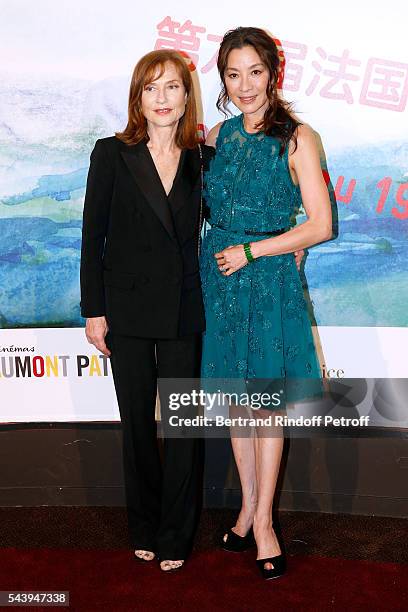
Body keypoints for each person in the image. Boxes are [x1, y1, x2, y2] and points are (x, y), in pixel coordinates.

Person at [200, 27, 332, 579]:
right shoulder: (215, 137)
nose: (245, 84)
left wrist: (255, 250)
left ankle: (265, 525)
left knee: (266, 405)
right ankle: (248, 508)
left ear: (273, 73)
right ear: (224, 78)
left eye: (255, 71)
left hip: (267, 276)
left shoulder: (299, 137)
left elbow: (321, 225)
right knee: (237, 401)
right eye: (234, 74)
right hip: (222, 281)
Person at [80, 50, 214, 572]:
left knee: (182, 424)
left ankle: (177, 534)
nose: (162, 99)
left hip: (184, 306)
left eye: (173, 88)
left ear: (187, 96)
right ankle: (145, 526)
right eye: (151, 88)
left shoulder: (204, 159)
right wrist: (94, 311)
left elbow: (226, 220)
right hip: (126, 309)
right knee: (136, 422)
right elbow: (94, 238)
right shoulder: (111, 153)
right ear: (138, 97)